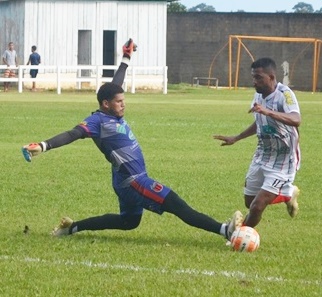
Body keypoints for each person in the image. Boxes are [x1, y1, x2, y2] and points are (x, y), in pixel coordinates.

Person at [21, 39, 243, 242]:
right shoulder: (97, 121)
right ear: (106, 104)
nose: (123, 104)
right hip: (134, 180)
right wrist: (44, 145)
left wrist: (126, 59)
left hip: (123, 179)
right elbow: (73, 134)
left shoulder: (110, 111)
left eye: (123, 100)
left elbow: (115, 85)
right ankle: (225, 230)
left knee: (129, 222)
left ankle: (71, 228)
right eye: (119, 102)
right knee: (176, 204)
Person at [214, 57, 301, 228]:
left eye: (259, 77)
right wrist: (236, 138)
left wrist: (269, 112)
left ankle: (239, 236)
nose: (254, 82)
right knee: (250, 202)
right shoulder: (258, 96)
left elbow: (296, 119)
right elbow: (259, 122)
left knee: (257, 206)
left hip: (283, 160)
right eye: (253, 77)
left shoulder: (285, 95)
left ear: (271, 76)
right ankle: (288, 194)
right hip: (262, 155)